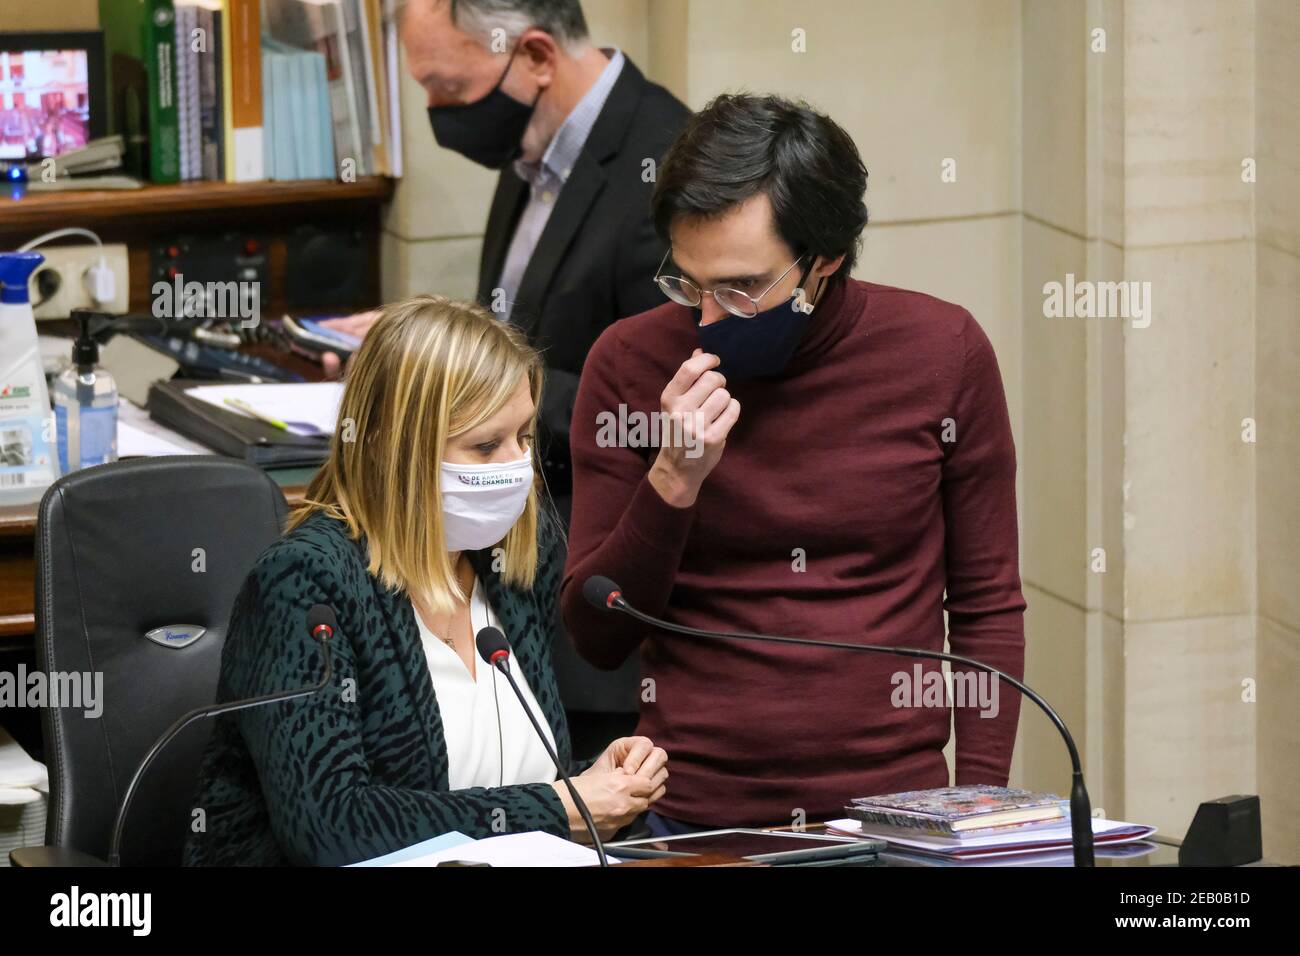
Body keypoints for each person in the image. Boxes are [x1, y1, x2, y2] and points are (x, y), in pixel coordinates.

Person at [560, 94, 1027, 835]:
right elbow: (597, 635)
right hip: (690, 818)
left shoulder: (943, 353)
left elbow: (986, 605)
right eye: (689, 284)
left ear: (826, 259)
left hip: (897, 818)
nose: (709, 317)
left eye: (743, 289)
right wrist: (673, 481)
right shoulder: (626, 364)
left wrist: (975, 811)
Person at [185, 295, 667, 866]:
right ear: (397, 449)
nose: (516, 465)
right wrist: (561, 806)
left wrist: (596, 785)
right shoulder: (304, 584)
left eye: (526, 439)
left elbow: (512, 780)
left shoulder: (512, 565)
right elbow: (331, 826)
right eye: (486, 445)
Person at [325, 0, 690, 735]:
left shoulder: (666, 164)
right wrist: (426, 352)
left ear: (535, 56)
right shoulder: (533, 146)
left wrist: (471, 395)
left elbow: (660, 406)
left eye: (450, 90)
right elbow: (519, 340)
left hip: (599, 616)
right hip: (513, 581)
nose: (437, 111)